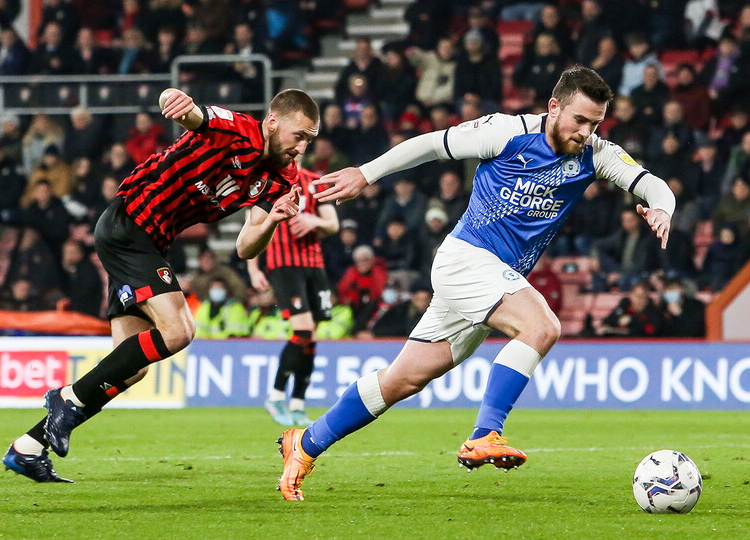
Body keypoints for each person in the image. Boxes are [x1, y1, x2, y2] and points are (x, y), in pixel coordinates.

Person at [274, 67, 676, 501]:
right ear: (554, 107)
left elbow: (654, 185)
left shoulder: (596, 154)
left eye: (595, 123)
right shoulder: (506, 132)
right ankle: (485, 433)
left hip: (494, 279)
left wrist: (662, 209)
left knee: (403, 379)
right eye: (579, 120)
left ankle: (305, 443)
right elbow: (431, 144)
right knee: (542, 326)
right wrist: (366, 174)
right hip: (465, 260)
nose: (585, 132)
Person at [3, 87, 318, 483]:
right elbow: (193, 114)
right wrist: (174, 98)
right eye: (299, 135)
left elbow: (245, 247)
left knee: (129, 369)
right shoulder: (237, 129)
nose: (302, 147)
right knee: (179, 330)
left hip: (151, 242)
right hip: (130, 223)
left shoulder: (281, 177)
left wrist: (272, 220)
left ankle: (27, 448)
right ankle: (65, 398)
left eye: (309, 140)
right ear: (272, 122)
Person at [247, 161, 339, 427]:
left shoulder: (314, 181)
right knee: (303, 330)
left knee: (311, 337)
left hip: (314, 266)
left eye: (302, 142)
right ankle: (276, 396)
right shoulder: (266, 180)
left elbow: (333, 224)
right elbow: (252, 226)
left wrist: (314, 220)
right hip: (283, 265)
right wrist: (253, 269)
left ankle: (298, 403)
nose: (297, 147)